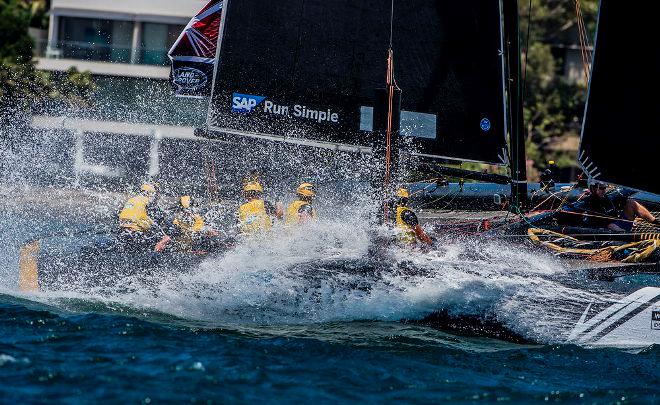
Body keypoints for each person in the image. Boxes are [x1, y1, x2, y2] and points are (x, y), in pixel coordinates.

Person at [577, 180, 658, 232]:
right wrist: (623, 233)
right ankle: (625, 233)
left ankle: (656, 222)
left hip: (618, 222)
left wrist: (628, 221)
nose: (604, 190)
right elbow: (607, 224)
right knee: (610, 225)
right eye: (601, 188)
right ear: (593, 189)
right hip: (608, 229)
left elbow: (616, 213)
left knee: (631, 203)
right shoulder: (588, 201)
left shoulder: (606, 197)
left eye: (605, 187)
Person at [118, 183, 167, 249]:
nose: (159, 196)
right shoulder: (149, 203)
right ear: (152, 194)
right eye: (158, 194)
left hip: (122, 235)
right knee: (167, 238)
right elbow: (160, 222)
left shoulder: (131, 200)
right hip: (138, 238)